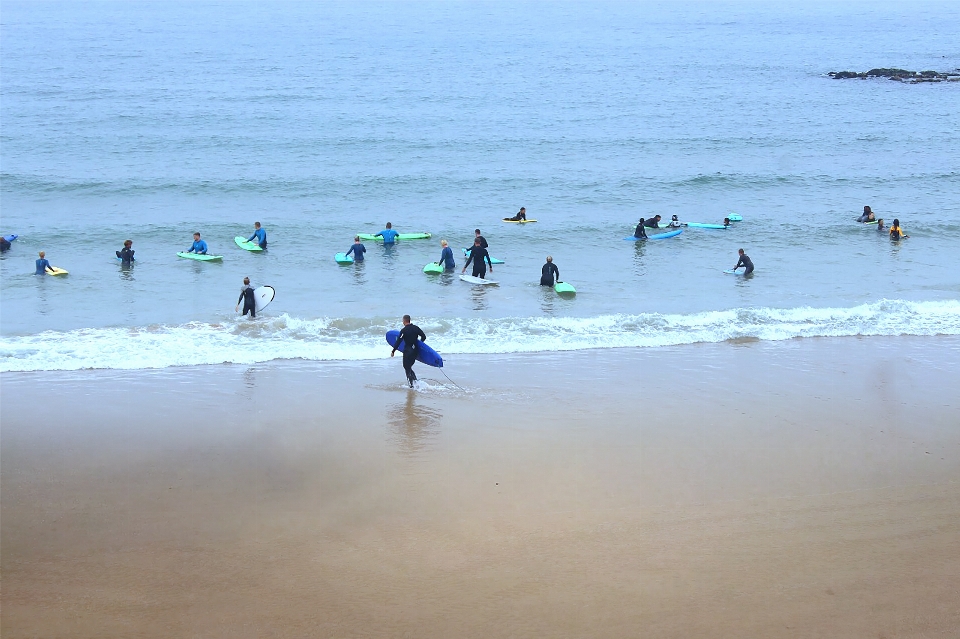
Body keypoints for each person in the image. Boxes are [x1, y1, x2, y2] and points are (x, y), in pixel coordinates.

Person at [391, 314, 427, 388]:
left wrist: (393, 351)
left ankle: (411, 386)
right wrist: (419, 345)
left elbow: (398, 341)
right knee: (409, 367)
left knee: (406, 367)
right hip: (415, 351)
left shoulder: (404, 330)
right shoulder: (416, 328)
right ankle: (415, 382)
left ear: (404, 321)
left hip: (408, 351)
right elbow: (423, 336)